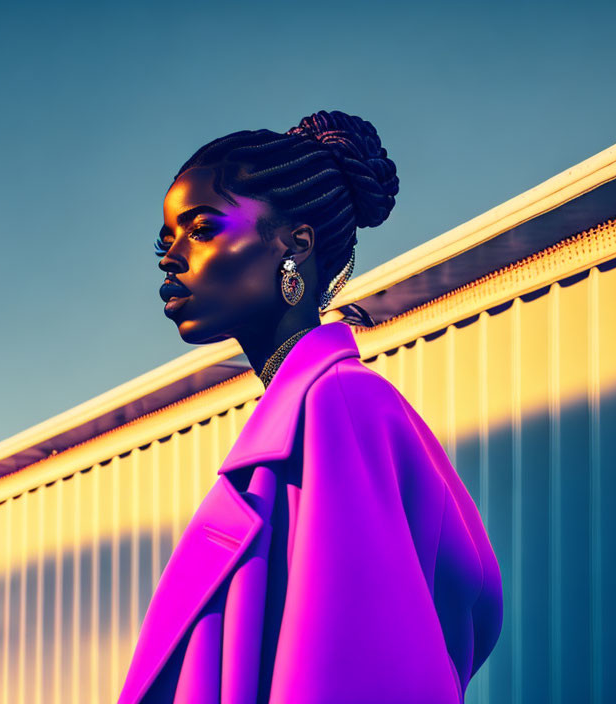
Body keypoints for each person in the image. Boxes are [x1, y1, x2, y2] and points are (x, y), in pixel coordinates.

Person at [118, 110, 503, 704]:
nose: (171, 257)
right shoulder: (302, 417)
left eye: (201, 229)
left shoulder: (339, 406)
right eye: (166, 240)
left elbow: (355, 672)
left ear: (296, 243)